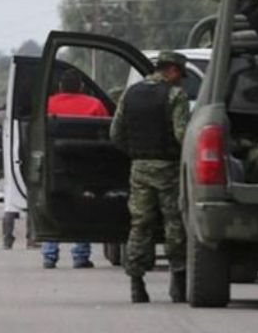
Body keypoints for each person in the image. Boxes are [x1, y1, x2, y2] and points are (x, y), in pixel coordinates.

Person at [110, 51, 190, 304]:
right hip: (168, 169)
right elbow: (182, 134)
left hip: (140, 169)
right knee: (174, 223)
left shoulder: (130, 93)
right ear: (173, 70)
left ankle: (137, 284)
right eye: (180, 75)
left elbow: (116, 134)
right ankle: (178, 281)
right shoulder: (175, 95)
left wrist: (136, 153)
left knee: (140, 224)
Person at [41, 69, 108, 270]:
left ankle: (49, 255)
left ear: (60, 86)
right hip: (87, 168)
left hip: (55, 168)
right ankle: (80, 256)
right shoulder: (95, 105)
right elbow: (110, 130)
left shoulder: (47, 104)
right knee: (83, 209)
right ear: (81, 87)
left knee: (51, 206)